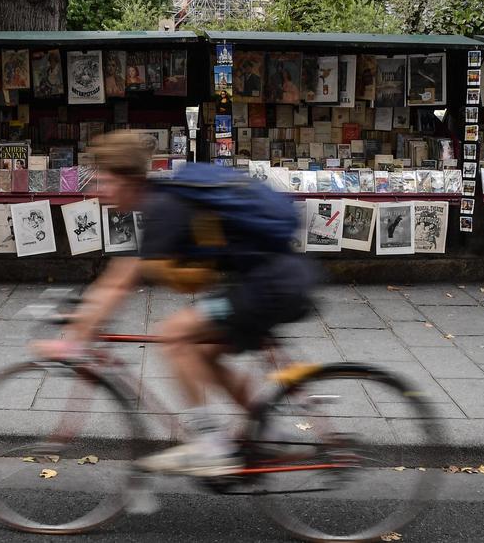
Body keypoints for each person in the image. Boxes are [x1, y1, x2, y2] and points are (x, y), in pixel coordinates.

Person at [34, 131, 317, 477]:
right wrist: (83, 316)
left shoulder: (163, 206)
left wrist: (74, 341)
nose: (99, 192)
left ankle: (211, 445)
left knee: (174, 335)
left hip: (269, 286)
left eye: (105, 181)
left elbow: (121, 279)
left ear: (127, 180)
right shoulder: (163, 201)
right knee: (203, 353)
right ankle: (268, 430)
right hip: (271, 280)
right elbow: (120, 276)